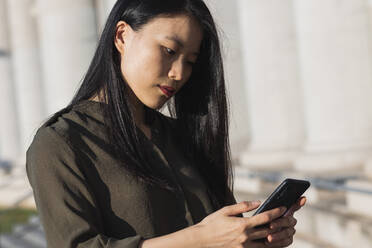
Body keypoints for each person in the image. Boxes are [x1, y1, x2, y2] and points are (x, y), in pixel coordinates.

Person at [26, 0, 306, 247]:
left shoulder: (181, 137)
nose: (179, 73)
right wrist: (198, 240)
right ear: (122, 36)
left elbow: (221, 237)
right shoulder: (61, 144)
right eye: (170, 50)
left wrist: (255, 237)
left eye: (191, 62)